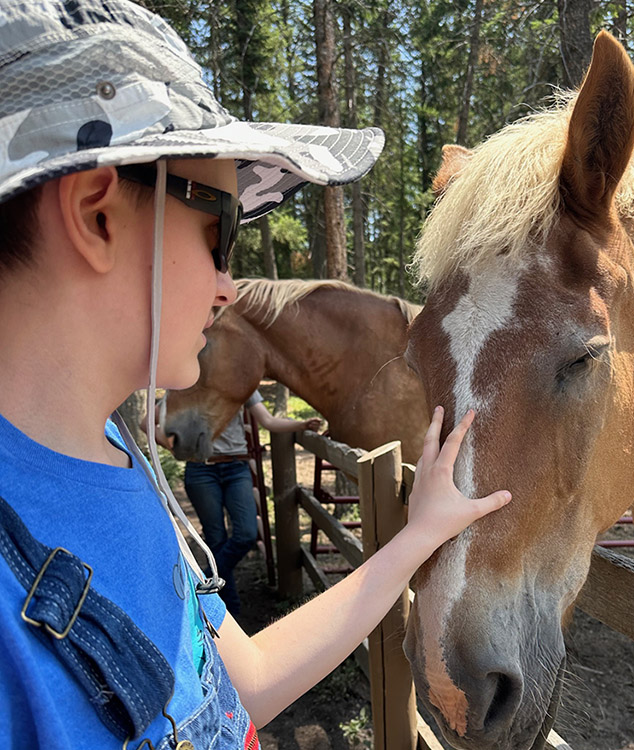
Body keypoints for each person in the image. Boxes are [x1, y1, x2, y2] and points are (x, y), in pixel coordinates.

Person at [0, 3, 512, 750]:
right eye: (220, 233)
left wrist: (418, 533)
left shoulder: (118, 455)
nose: (226, 285)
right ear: (97, 216)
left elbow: (245, 681)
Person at [147, 392, 323, 615]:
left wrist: (302, 423)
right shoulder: (188, 386)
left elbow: (267, 420)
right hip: (201, 470)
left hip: (236, 467)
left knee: (246, 533)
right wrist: (173, 447)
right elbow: (147, 424)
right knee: (216, 539)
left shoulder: (237, 379)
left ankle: (203, 580)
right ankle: (231, 611)